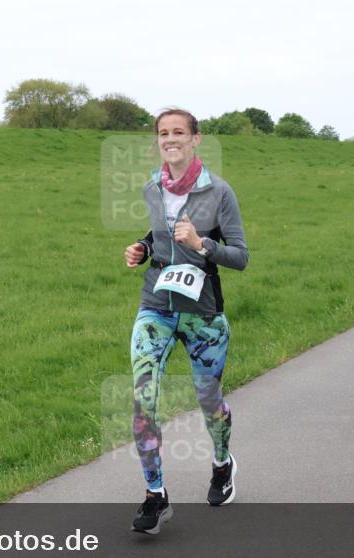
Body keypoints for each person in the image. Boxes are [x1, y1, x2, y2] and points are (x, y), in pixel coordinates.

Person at [123, 108, 249, 534]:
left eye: (178, 132)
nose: (170, 138)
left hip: (202, 312)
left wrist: (202, 243)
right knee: (143, 399)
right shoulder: (152, 188)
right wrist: (141, 247)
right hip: (156, 303)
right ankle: (155, 496)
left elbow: (241, 256)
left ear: (196, 139)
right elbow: (158, 234)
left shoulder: (220, 191)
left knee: (208, 400)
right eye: (163, 133)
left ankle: (221, 464)